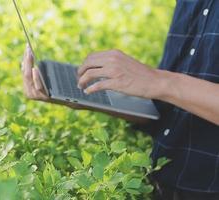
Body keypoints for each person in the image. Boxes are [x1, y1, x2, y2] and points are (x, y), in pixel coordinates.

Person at [21, 1, 219, 200]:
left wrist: (159, 80)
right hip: (160, 183)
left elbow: (163, 84)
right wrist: (84, 95)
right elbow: (168, 104)